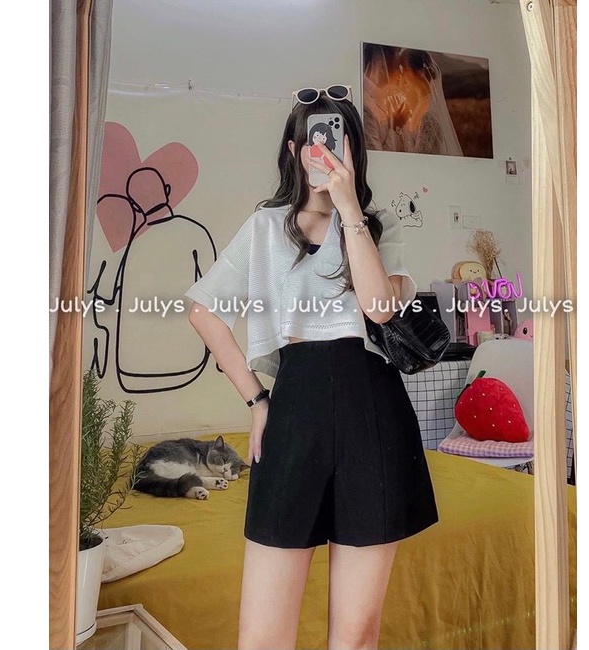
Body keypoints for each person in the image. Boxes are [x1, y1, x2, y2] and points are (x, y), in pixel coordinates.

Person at [185, 87, 439, 650]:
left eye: (339, 142)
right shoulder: (266, 228)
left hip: (371, 407)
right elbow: (202, 309)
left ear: (355, 152)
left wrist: (350, 211)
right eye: (314, 141)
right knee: (262, 637)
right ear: (295, 150)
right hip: (295, 407)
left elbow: (379, 307)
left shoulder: (377, 225)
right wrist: (257, 401)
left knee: (357, 633)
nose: (325, 152)